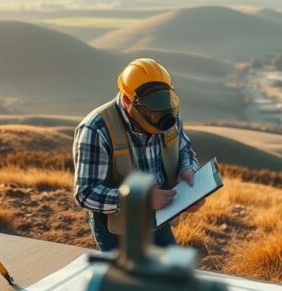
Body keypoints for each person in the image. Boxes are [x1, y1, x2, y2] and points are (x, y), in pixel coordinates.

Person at [73, 58, 203, 251]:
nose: (160, 118)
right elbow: (85, 194)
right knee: (130, 281)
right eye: (151, 111)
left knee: (170, 280)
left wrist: (187, 169)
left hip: (160, 219)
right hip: (118, 231)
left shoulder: (167, 114)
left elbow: (185, 150)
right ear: (127, 100)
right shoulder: (96, 129)